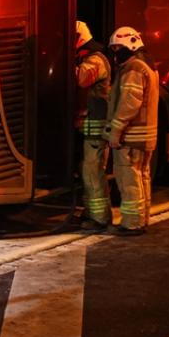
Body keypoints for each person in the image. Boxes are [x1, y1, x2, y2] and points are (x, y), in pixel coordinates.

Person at [104, 26, 159, 236]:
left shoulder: (134, 69)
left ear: (130, 45)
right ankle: (141, 218)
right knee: (142, 177)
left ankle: (132, 223)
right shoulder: (147, 65)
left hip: (131, 136)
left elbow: (129, 103)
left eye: (118, 48)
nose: (115, 53)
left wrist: (116, 131)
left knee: (129, 180)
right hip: (145, 136)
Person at [74, 21, 114, 231]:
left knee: (93, 171)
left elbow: (81, 79)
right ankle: (91, 212)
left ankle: (99, 218)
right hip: (89, 125)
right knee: (87, 170)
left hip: (97, 125)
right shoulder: (87, 58)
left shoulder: (95, 60)